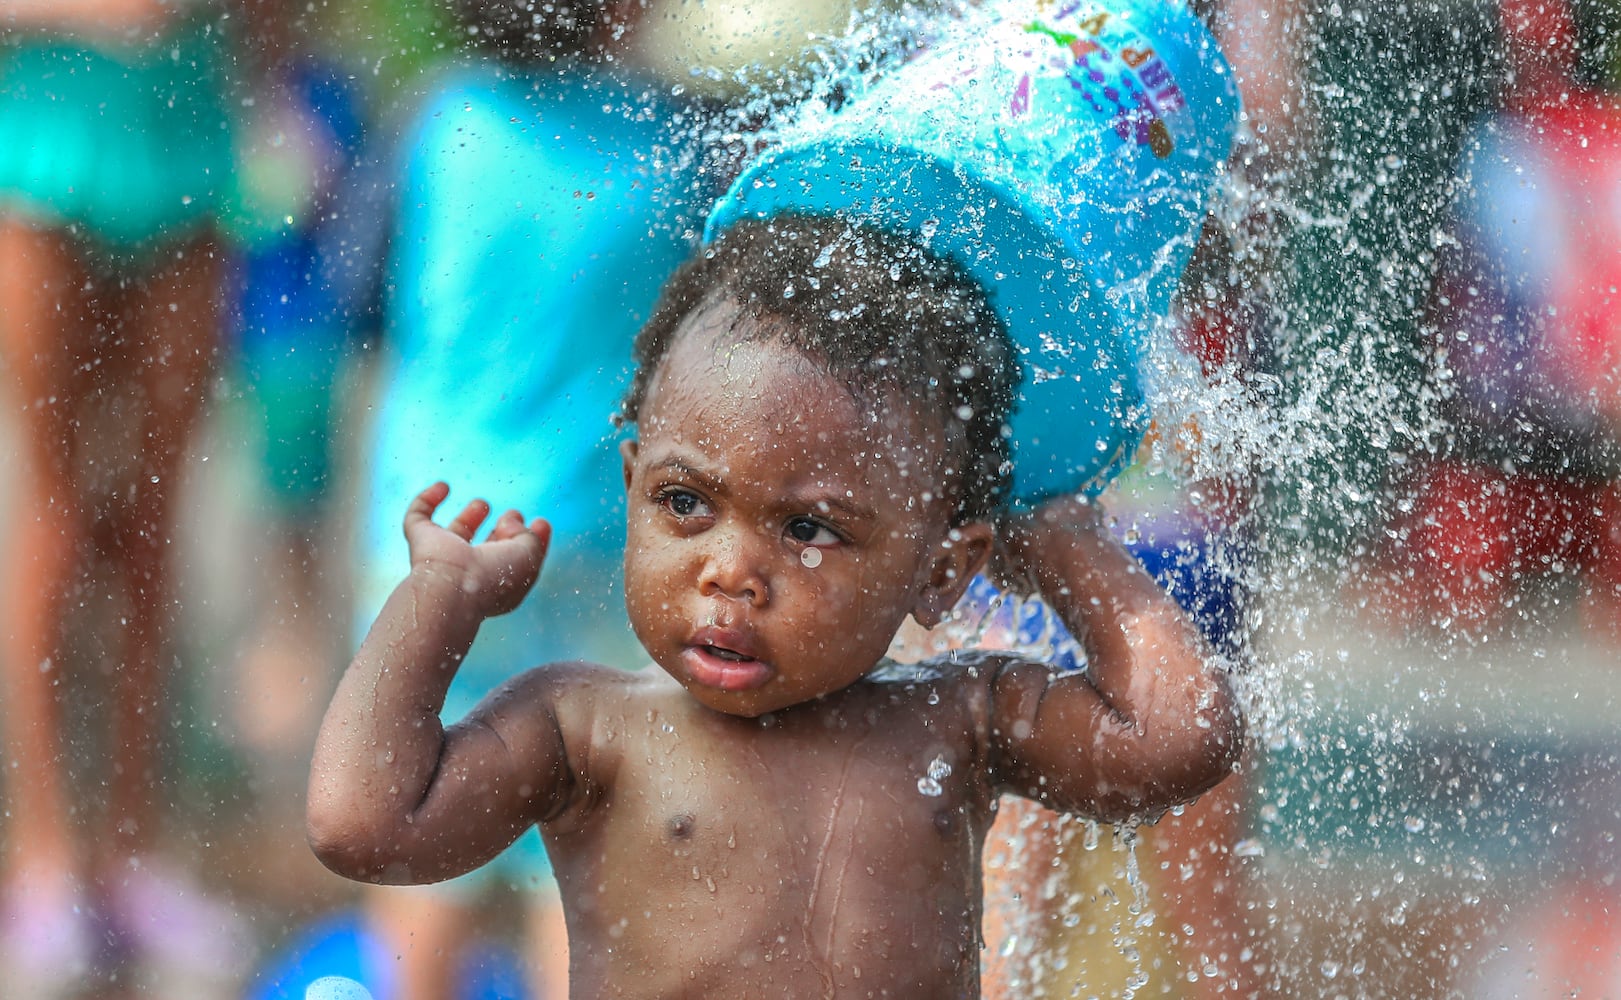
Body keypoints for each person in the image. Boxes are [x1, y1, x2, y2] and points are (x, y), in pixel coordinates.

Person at [308, 215, 1244, 997]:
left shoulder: (954, 719)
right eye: (685, 504)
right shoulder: (585, 729)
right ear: (632, 484)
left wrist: (1068, 548)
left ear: (942, 568)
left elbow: (1179, 739)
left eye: (809, 529)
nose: (730, 572)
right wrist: (436, 598)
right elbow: (364, 827)